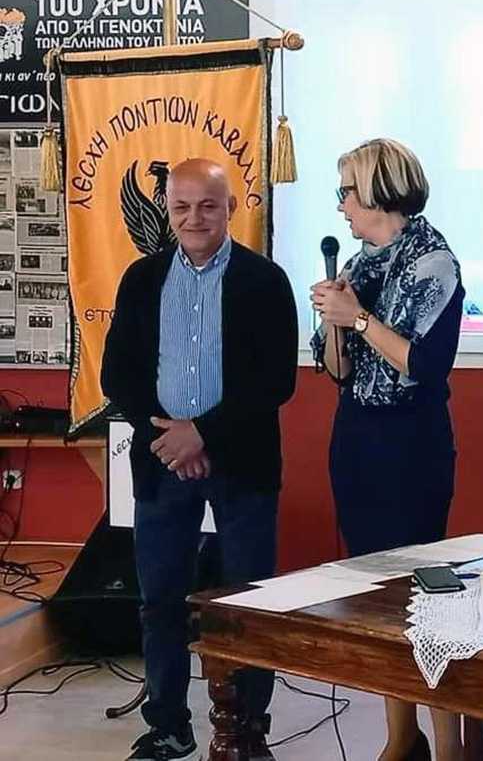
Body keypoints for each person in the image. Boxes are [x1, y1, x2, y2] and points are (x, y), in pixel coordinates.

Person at [101, 158, 298, 761]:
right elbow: (118, 375)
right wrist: (171, 438)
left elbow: (276, 381)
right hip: (162, 461)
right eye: (181, 206)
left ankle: (247, 729)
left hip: (242, 463)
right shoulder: (141, 279)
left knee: (248, 603)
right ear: (167, 209)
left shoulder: (265, 281)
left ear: (231, 207)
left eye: (208, 205)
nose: (194, 218)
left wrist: (203, 435)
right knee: (160, 601)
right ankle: (168, 724)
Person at [310, 137, 464, 761]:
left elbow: (423, 365)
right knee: (377, 600)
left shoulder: (434, 263)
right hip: (357, 439)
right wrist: (333, 322)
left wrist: (358, 319)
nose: (341, 205)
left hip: (410, 444)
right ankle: (401, 738)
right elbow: (337, 371)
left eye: (346, 192)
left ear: (378, 192)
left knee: (424, 599)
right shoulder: (359, 263)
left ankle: (451, 745)